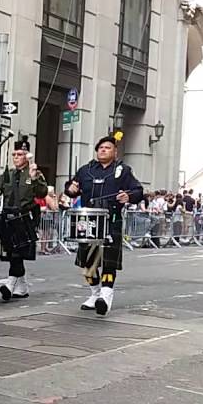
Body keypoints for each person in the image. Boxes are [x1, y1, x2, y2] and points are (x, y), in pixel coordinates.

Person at [65, 133, 144, 315]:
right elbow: (71, 188)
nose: (103, 150)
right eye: (100, 148)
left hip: (111, 219)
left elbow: (138, 190)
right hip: (88, 221)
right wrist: (70, 189)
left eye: (107, 148)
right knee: (88, 263)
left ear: (115, 152)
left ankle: (106, 295)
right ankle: (95, 294)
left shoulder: (122, 170)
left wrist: (128, 196)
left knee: (108, 262)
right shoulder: (86, 170)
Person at [0, 138, 48, 301]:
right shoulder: (8, 174)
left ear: (27, 156)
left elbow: (42, 193)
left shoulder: (34, 173)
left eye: (20, 154)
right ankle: (22, 286)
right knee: (12, 252)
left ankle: (10, 285)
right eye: (14, 154)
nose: (16, 157)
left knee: (18, 253)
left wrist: (34, 177)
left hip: (24, 217)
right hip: (8, 217)